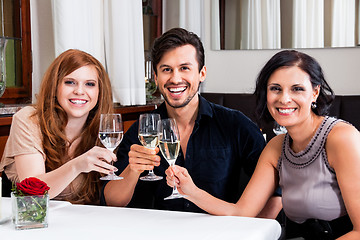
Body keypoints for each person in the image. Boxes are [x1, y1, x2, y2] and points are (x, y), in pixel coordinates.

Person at [166, 50, 360, 239]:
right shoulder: (276, 147)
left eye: (297, 89)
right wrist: (190, 191)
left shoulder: (341, 138)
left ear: (315, 92)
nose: (284, 98)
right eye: (275, 88)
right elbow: (242, 212)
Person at [102, 28, 282, 217]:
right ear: (156, 77)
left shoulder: (236, 125)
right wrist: (132, 170)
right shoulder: (142, 130)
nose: (175, 78)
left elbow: (275, 194)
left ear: (201, 73)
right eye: (166, 70)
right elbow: (112, 202)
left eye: (184, 68)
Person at [0, 49, 118, 204]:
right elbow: (33, 195)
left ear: (100, 92)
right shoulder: (28, 120)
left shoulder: (104, 129)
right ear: (55, 86)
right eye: (70, 82)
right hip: (31, 219)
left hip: (81, 220)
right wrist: (77, 165)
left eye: (90, 84)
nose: (79, 91)